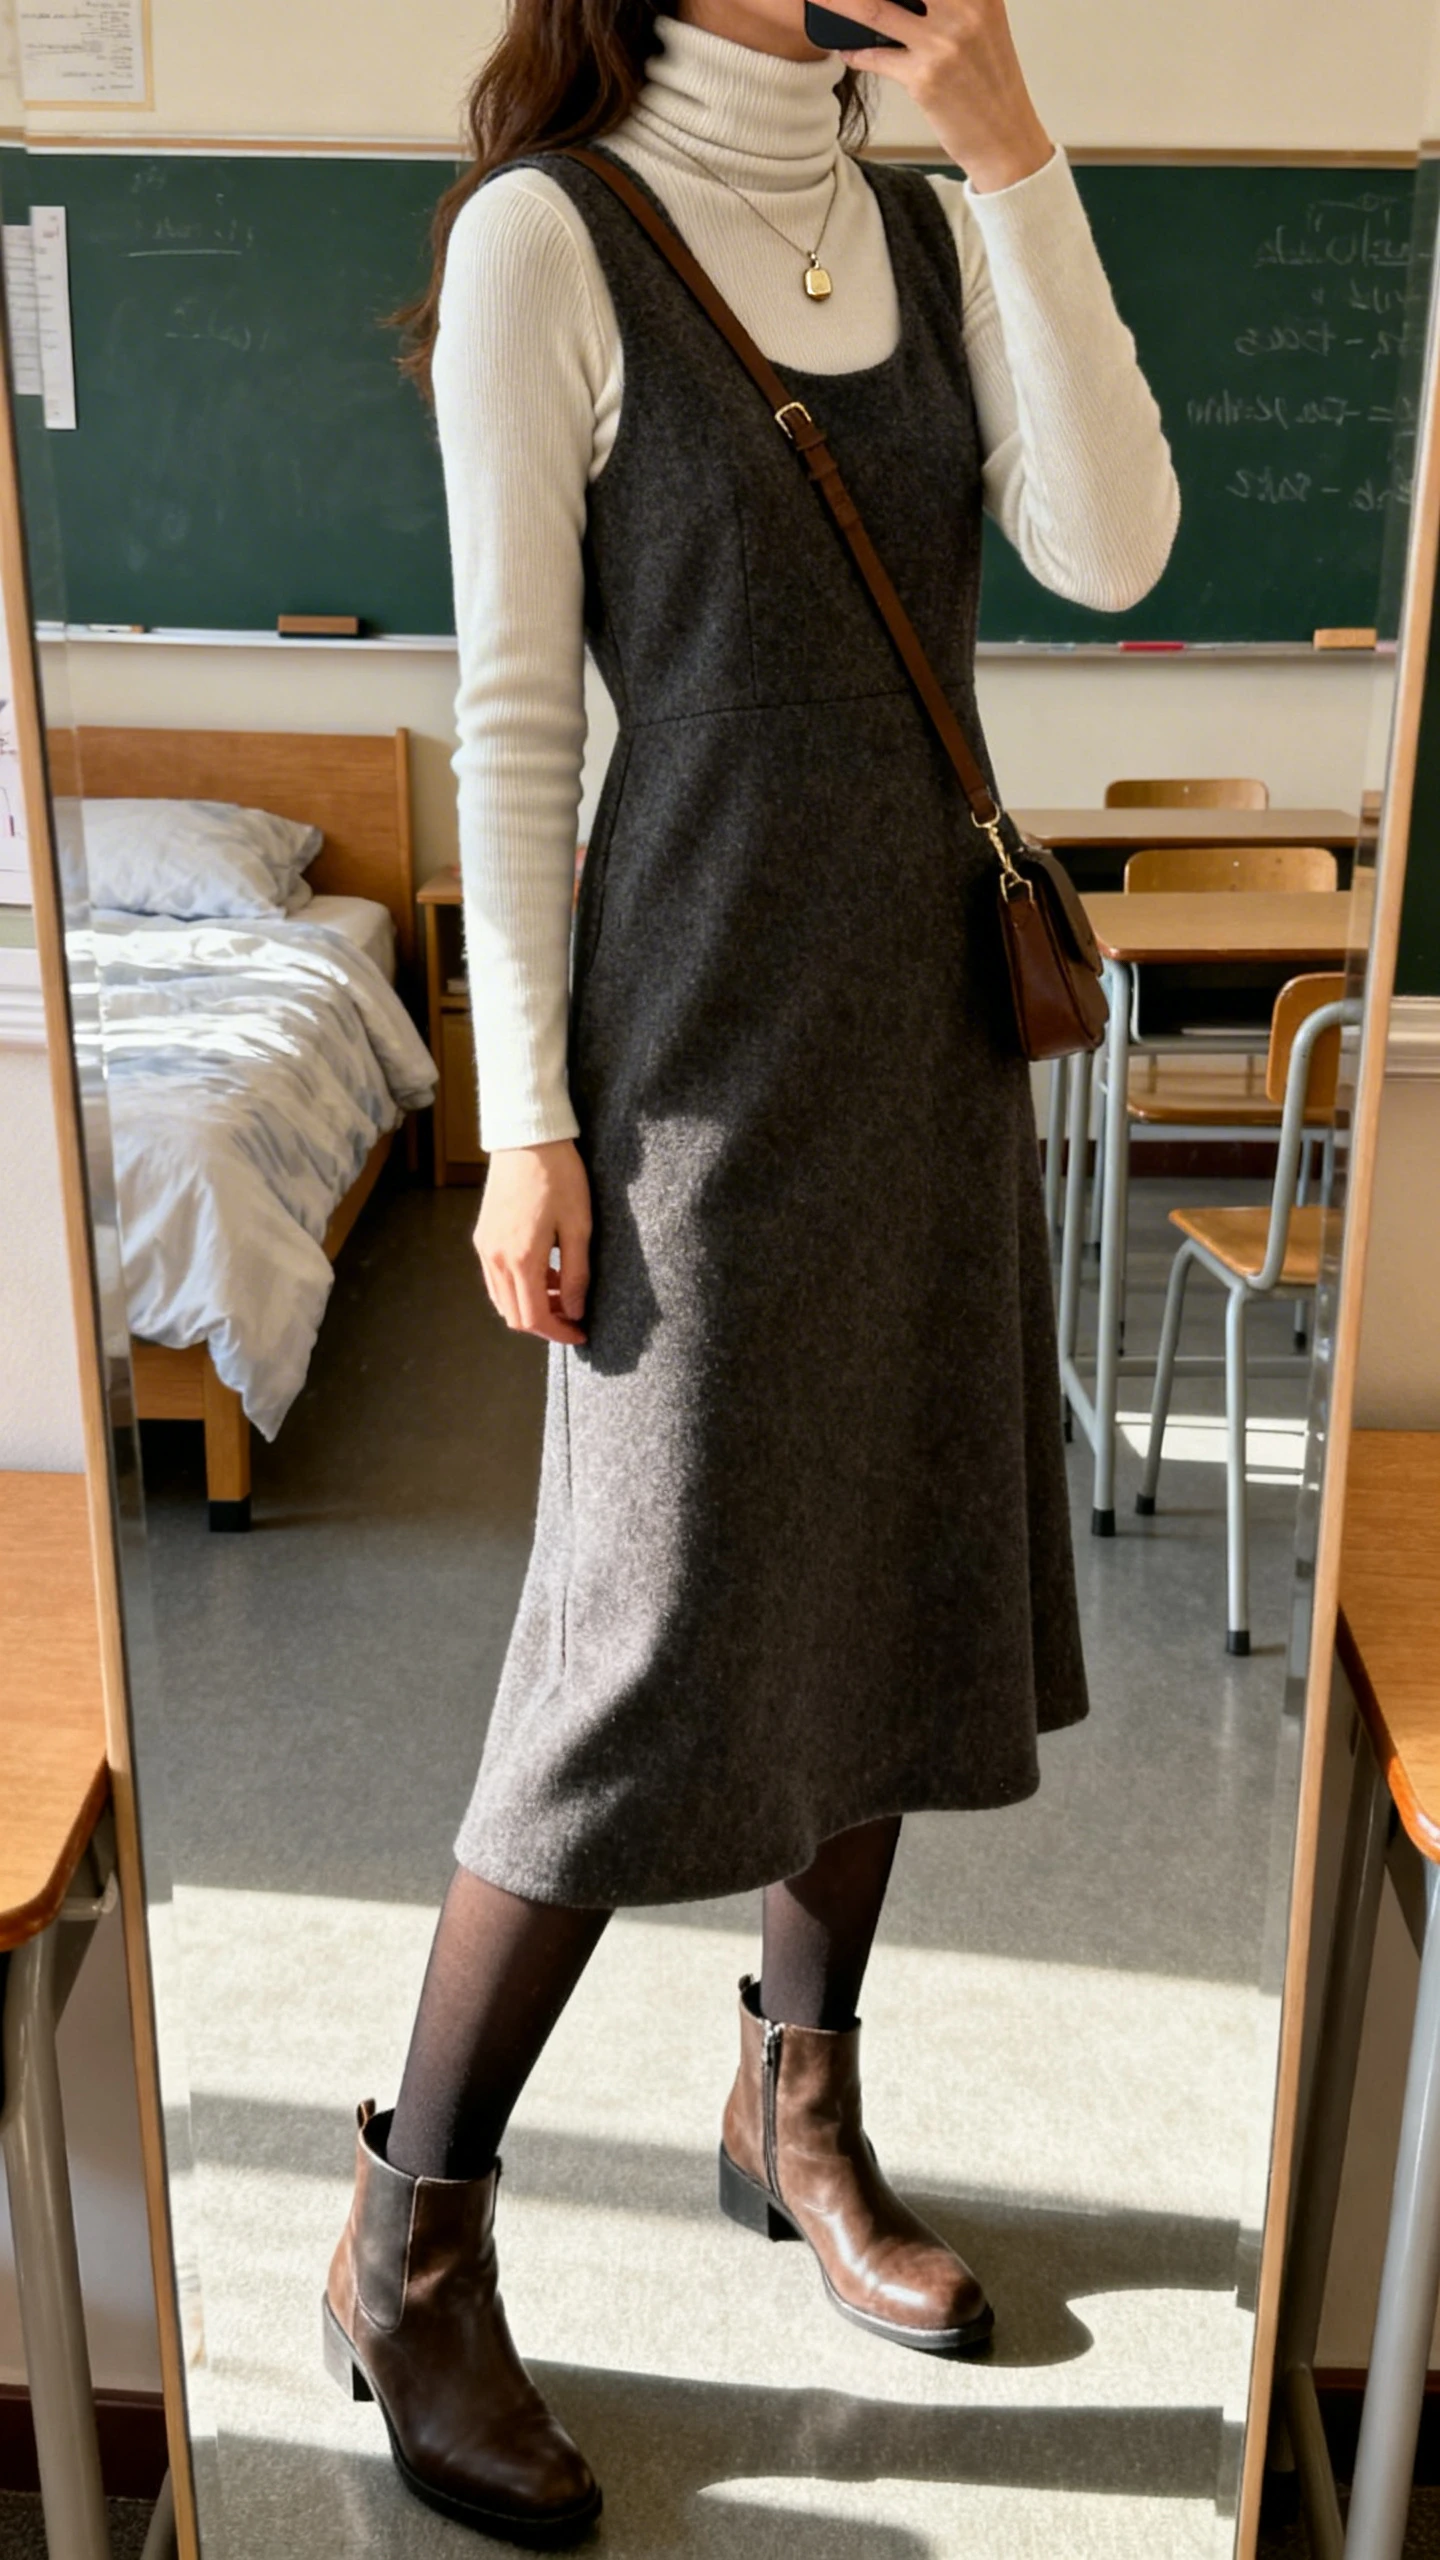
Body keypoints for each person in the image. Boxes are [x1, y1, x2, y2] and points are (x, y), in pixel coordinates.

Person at [324, 0, 1179, 2539]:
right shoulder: (543, 237)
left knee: (900, 1567)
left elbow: (1116, 550)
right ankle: (412, 2230)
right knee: (645, 1631)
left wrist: (1015, 156)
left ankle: (795, 2097)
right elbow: (507, 714)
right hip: (688, 1042)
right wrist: (526, 1120)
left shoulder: (923, 220)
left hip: (920, 1027)